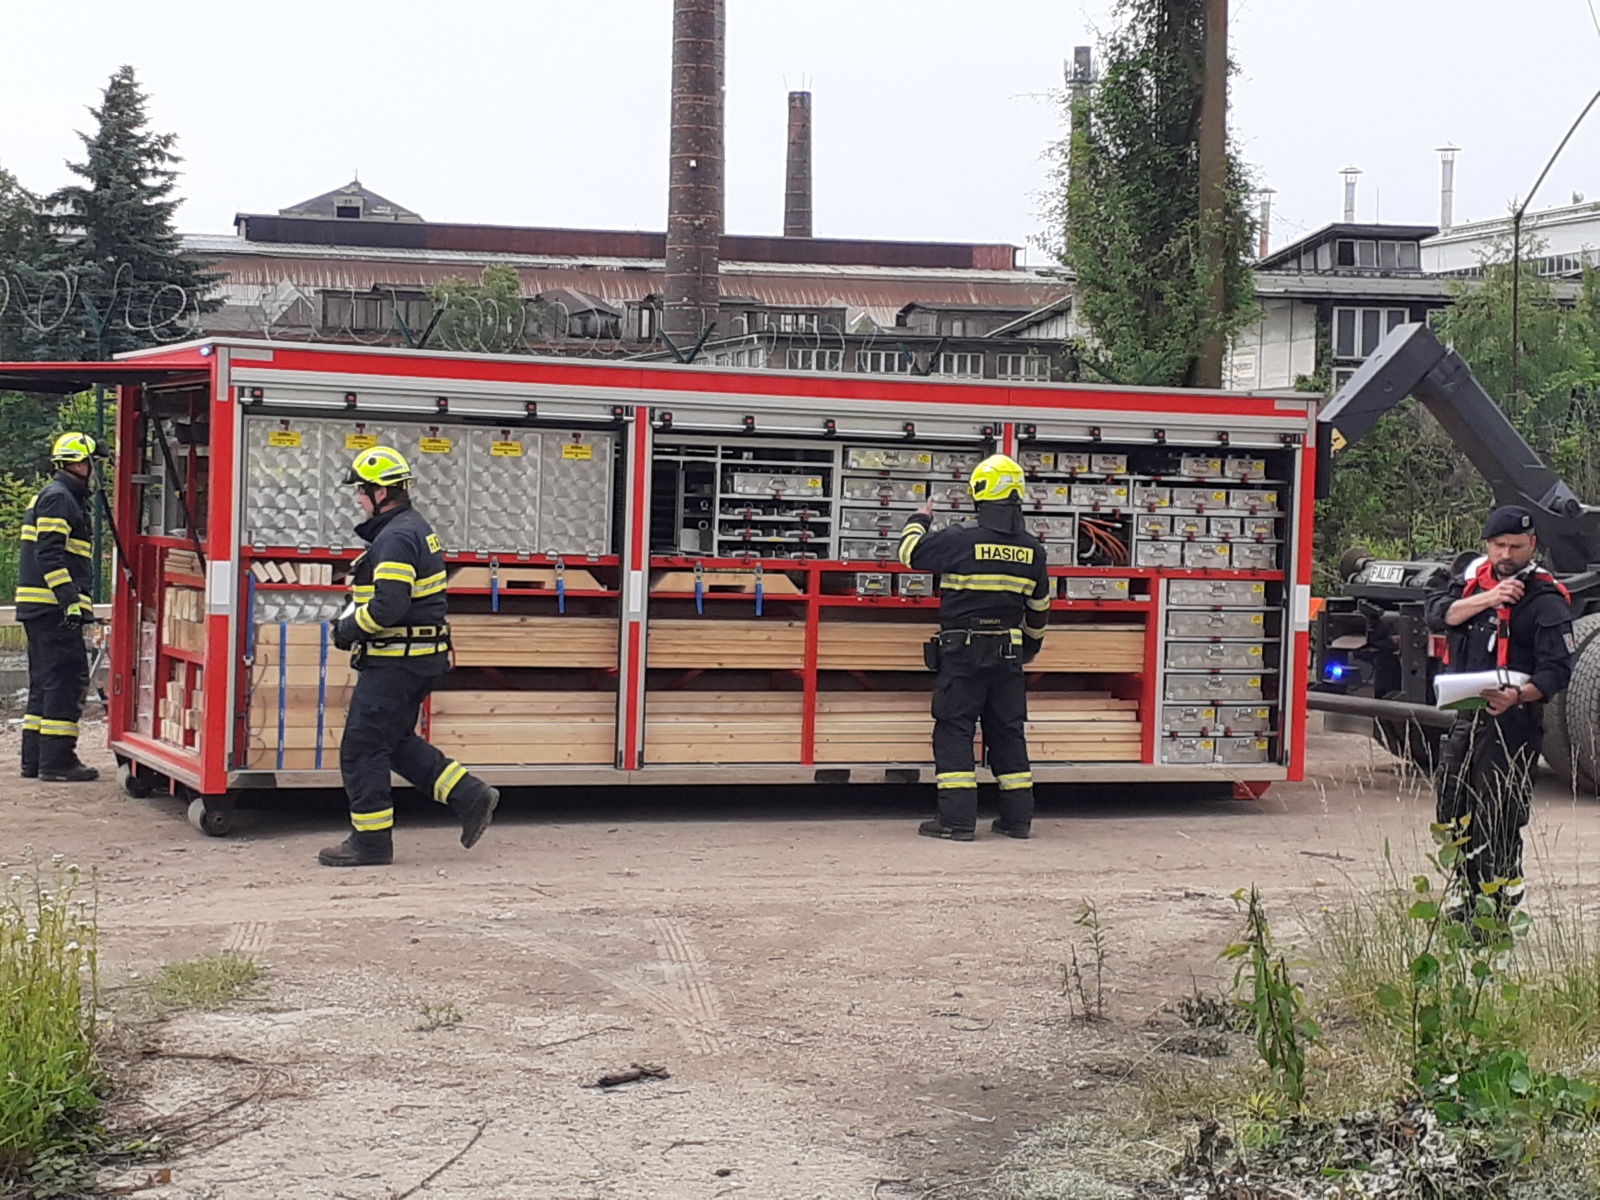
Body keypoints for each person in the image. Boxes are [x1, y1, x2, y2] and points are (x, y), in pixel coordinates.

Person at [319, 446, 499, 867]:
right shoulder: (408, 528)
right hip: (414, 659)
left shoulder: (397, 537)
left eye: (361, 491)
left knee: (361, 749)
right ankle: (470, 795)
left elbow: (389, 605)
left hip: (395, 663)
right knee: (395, 742)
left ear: (381, 492)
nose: (358, 499)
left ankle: (370, 843)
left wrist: (347, 629)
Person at [1425, 504, 1575, 910]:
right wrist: (1490, 598)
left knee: (1497, 821)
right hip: (1467, 718)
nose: (1506, 555)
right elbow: (1439, 614)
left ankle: (1497, 915)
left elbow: (1557, 671)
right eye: (1498, 546)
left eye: (1515, 547)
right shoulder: (1472, 583)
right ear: (1487, 545)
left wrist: (1518, 696)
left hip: (1514, 724)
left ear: (1532, 545)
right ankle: (1462, 902)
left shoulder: (1545, 599)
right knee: (1453, 809)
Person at [898, 453, 1051, 841]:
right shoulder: (1033, 550)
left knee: (954, 730)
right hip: (1008, 658)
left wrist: (919, 518)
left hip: (963, 654)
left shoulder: (959, 539)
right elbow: (1039, 609)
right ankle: (1017, 820)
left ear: (981, 491)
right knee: (1008, 732)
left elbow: (909, 553)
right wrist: (1029, 648)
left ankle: (957, 820)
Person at [17, 433, 103, 783]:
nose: (95, 471)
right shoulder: (60, 498)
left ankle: (34, 760)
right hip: (53, 608)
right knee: (67, 679)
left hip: (42, 607)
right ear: (80, 464)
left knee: (45, 682)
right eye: (93, 463)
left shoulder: (55, 495)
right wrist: (70, 602)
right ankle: (57, 761)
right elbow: (50, 555)